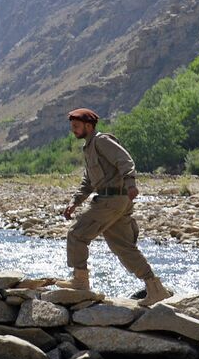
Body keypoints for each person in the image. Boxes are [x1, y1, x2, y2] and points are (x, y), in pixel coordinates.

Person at [60, 109, 170, 304]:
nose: (73, 130)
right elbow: (88, 182)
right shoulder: (89, 147)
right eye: (72, 127)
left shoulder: (101, 141)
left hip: (111, 200)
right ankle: (154, 288)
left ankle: (80, 281)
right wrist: (74, 203)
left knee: (77, 234)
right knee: (124, 248)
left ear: (88, 125)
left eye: (76, 126)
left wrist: (131, 184)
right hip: (115, 202)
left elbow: (125, 160)